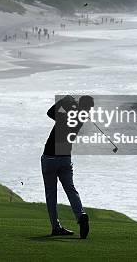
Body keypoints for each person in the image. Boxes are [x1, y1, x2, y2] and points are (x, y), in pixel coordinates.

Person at [41, 95, 93, 238]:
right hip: (65, 158)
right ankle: (81, 214)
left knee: (51, 194)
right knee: (70, 189)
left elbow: (50, 112)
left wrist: (64, 100)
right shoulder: (80, 119)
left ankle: (56, 227)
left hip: (50, 157)